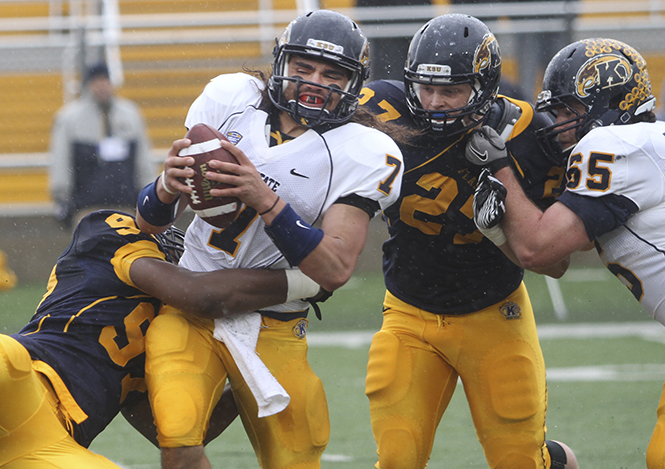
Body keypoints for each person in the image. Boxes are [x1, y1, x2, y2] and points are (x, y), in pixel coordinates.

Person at [134, 9, 404, 469]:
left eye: (331, 73)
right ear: (281, 64)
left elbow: (335, 268)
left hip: (275, 322)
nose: (315, 81)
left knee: (295, 458)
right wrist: (165, 187)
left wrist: (265, 199)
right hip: (191, 309)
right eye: (303, 68)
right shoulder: (230, 97)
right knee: (177, 442)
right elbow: (149, 222)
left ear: (354, 83)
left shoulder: (363, 149)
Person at [358, 14, 578, 469]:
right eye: (425, 88)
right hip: (409, 312)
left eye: (451, 91)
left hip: (494, 311)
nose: (435, 102)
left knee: (519, 461)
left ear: (484, 88)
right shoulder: (377, 109)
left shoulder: (528, 136)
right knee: (397, 458)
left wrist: (502, 214)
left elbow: (555, 264)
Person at [469, 38, 664, 469]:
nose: (554, 122)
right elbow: (553, 262)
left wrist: (499, 165)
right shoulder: (646, 147)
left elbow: (539, 249)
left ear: (607, 103)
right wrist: (502, 233)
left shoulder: (617, 145)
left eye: (566, 111)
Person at [0, 209, 324, 467]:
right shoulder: (107, 234)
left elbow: (182, 433)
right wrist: (307, 282)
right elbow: (200, 294)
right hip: (25, 375)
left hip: (44, 438)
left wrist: (253, 376)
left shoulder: (166, 344)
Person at [49, 62, 154, 228]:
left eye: (105, 80)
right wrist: (61, 197)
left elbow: (143, 160)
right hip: (87, 208)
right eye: (96, 81)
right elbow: (61, 161)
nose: (101, 86)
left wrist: (149, 194)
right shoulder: (70, 119)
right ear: (88, 85)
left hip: (125, 206)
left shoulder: (130, 114)